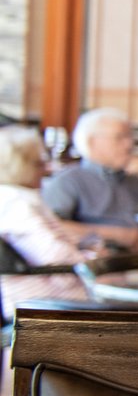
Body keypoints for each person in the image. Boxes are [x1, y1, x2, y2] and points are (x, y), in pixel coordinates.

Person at [41, 107, 138, 250]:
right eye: (120, 138)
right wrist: (118, 235)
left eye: (130, 137)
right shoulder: (69, 181)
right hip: (101, 260)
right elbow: (51, 227)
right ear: (92, 142)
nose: (129, 145)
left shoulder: (136, 179)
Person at [0, 124, 90, 312]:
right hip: (47, 306)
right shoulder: (16, 205)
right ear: (21, 166)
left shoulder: (15, 198)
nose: (47, 168)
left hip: (52, 299)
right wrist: (94, 263)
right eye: (39, 162)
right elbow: (58, 263)